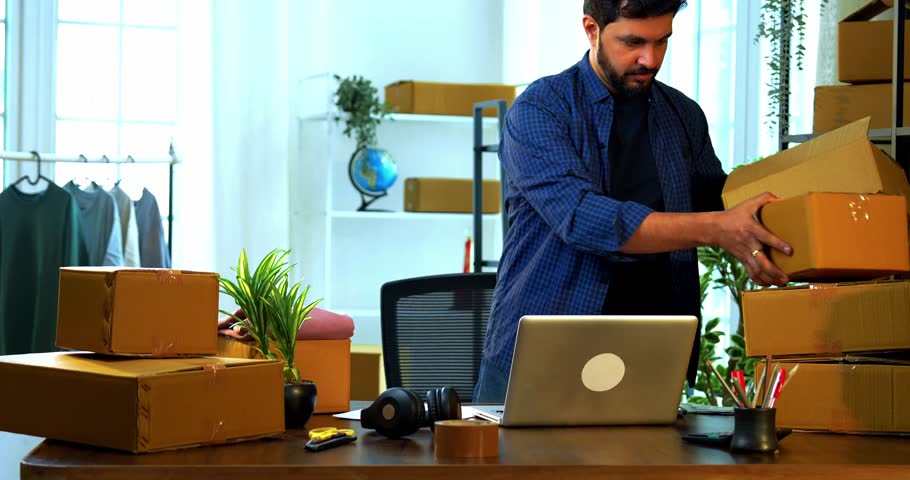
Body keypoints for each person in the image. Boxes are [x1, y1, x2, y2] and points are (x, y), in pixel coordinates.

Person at [473, 0, 792, 403]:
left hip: (652, 356)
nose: (650, 58)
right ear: (592, 29)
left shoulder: (683, 116)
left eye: (662, 42)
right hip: (543, 357)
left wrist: (774, 230)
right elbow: (582, 218)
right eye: (633, 42)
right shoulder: (540, 109)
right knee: (527, 469)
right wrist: (720, 228)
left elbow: (721, 199)